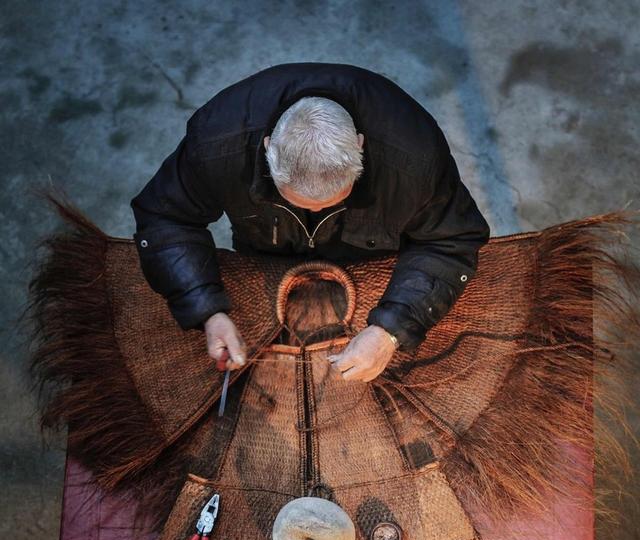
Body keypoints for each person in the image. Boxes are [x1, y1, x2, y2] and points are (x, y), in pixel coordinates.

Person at [131, 62, 490, 382]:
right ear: (268, 149)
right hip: (265, 255)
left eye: (331, 202)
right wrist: (208, 311)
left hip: (375, 262)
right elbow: (165, 216)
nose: (316, 212)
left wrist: (390, 330)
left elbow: (451, 240)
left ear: (360, 147)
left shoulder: (415, 156)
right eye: (298, 201)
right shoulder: (215, 143)